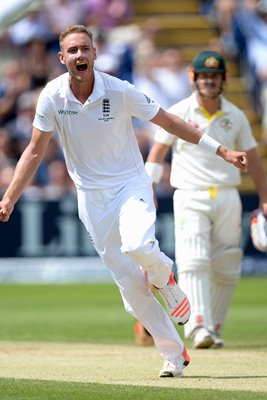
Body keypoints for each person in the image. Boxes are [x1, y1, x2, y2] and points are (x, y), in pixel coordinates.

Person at [0, 26, 247, 377]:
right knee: (131, 289)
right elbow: (35, 151)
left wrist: (220, 150)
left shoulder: (118, 90)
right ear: (62, 58)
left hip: (131, 184)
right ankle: (174, 355)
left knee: (138, 244)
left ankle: (164, 277)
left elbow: (170, 121)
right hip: (90, 197)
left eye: (85, 49)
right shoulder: (52, 97)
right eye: (72, 51)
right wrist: (9, 198)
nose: (79, 56)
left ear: (95, 53)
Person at [140, 50, 267, 349]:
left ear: (223, 80)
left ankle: (214, 326)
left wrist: (264, 199)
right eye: (204, 76)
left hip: (227, 195)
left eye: (215, 76)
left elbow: (255, 161)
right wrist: (150, 189)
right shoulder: (179, 111)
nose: (209, 81)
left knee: (228, 264)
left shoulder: (235, 116)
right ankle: (197, 326)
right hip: (190, 194)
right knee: (193, 258)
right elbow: (157, 154)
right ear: (193, 78)